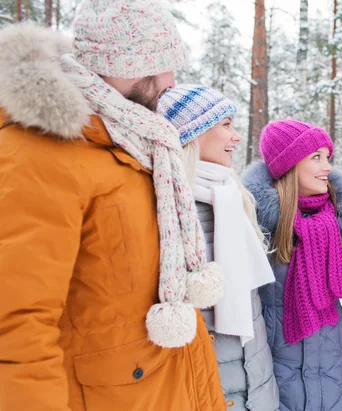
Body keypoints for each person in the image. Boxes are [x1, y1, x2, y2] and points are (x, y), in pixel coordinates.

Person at [0, 2, 227, 410]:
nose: (172, 81)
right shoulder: (37, 154)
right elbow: (16, 326)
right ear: (129, 64)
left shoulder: (137, 141)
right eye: (165, 64)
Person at [158, 85, 279, 411]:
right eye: (226, 124)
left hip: (256, 387)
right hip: (210, 394)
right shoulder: (169, 214)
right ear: (192, 134)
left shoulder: (231, 197)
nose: (236, 137)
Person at [242, 120, 342, 411]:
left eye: (327, 157)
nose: (328, 168)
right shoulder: (255, 229)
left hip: (339, 378)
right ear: (289, 165)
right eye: (316, 158)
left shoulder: (337, 222)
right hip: (279, 378)